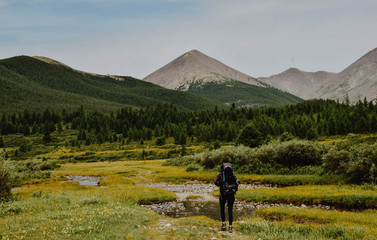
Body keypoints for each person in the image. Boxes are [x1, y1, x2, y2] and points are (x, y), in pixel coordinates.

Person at [214, 162, 239, 233]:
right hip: (231, 195)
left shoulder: (220, 175)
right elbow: (237, 184)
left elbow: (215, 182)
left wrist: (221, 185)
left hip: (223, 195)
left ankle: (223, 224)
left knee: (222, 209)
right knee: (230, 210)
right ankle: (230, 226)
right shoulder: (233, 175)